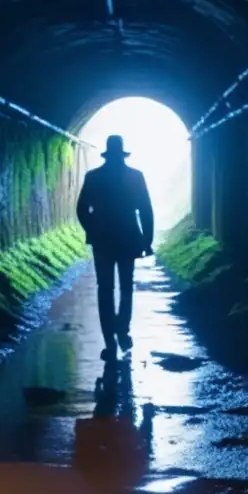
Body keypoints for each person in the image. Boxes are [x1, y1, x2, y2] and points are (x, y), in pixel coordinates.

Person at [76, 134, 154, 361]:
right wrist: (146, 241)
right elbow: (146, 210)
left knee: (105, 288)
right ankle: (123, 331)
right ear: (122, 154)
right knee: (127, 286)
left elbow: (81, 209)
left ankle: (109, 340)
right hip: (128, 238)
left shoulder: (94, 177)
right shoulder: (135, 177)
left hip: (102, 241)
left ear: (107, 154)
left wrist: (93, 228)